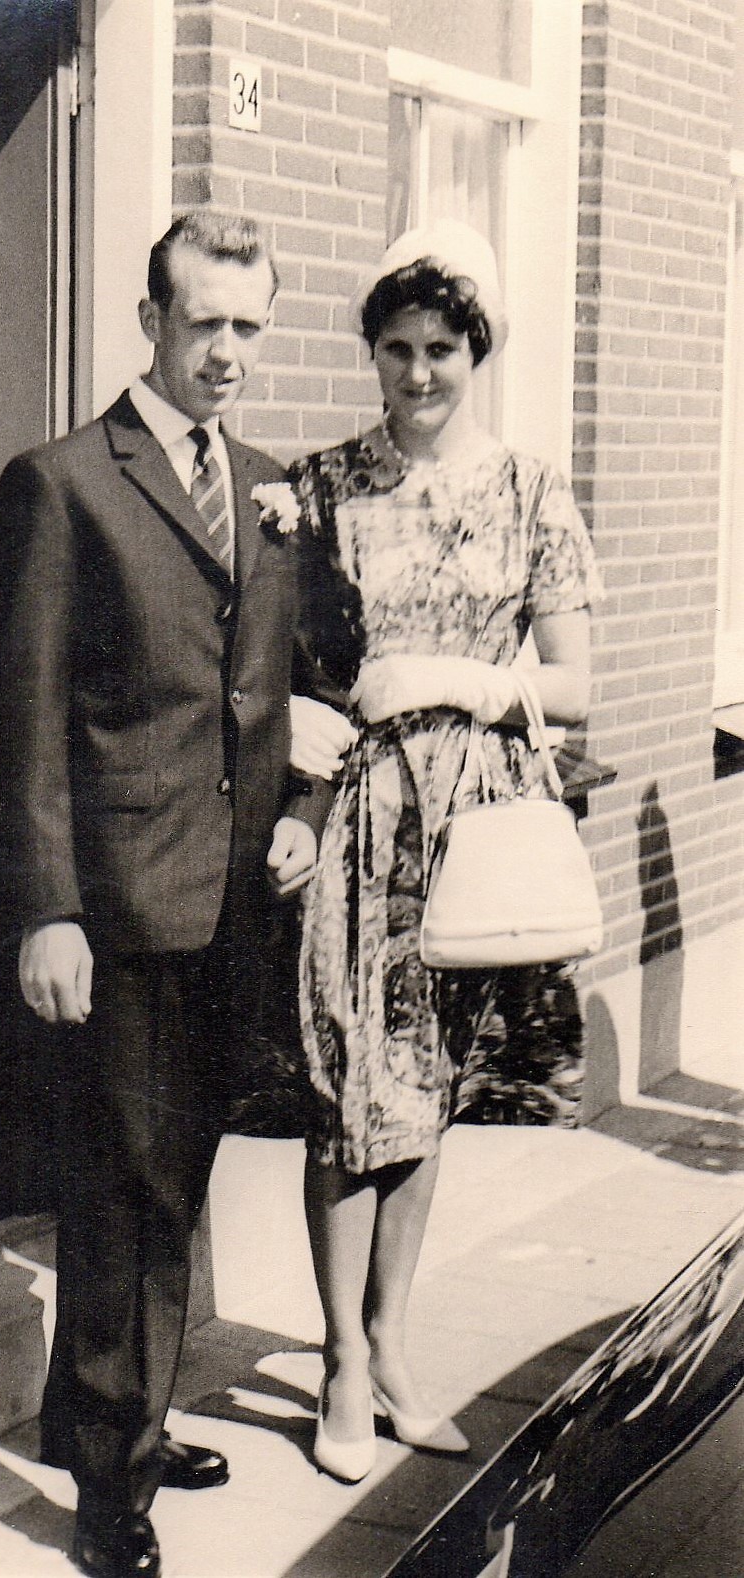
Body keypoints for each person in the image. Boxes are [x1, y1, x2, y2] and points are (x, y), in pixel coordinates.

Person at [0, 212, 336, 1578]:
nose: (229, 351)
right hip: (119, 904)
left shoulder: (266, 488)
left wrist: (301, 812)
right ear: (149, 321)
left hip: (234, 903)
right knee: (123, 1184)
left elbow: (303, 684)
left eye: (250, 325)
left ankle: (110, 1411)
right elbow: (20, 717)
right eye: (205, 323)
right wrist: (45, 908)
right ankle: (109, 1486)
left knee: (173, 1174)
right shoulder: (63, 483)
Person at [287, 219, 602, 1484]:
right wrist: (298, 759)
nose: (419, 374)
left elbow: (574, 683)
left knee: (426, 1091)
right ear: (372, 351)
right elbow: (284, 667)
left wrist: (465, 681)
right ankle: (338, 1364)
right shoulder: (320, 489)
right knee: (344, 1086)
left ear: (479, 354)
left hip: (478, 827)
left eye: (442, 351)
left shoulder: (531, 491)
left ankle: (392, 1346)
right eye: (398, 349)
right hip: (359, 822)